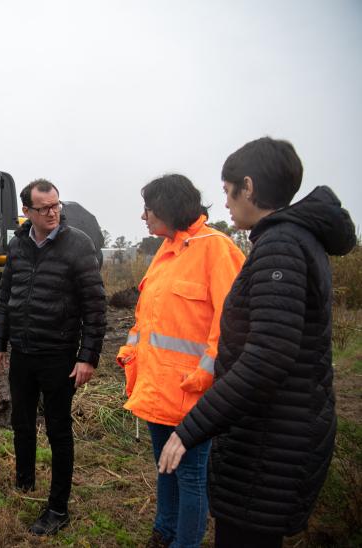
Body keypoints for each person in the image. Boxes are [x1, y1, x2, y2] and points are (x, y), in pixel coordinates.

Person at [158, 137, 357, 547]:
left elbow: (266, 357)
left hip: (271, 442)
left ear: (247, 186)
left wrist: (191, 427)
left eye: (228, 189)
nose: (225, 204)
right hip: (278, 431)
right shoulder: (294, 240)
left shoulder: (280, 247)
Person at [116, 174, 245, 548]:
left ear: (169, 209)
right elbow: (150, 317)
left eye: (149, 209)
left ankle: (183, 543)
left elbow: (232, 322)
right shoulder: (167, 249)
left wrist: (207, 374)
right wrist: (130, 352)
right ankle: (164, 532)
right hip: (157, 388)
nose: (143, 217)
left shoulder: (216, 249)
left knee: (190, 476)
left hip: (193, 393)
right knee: (164, 466)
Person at [0, 178, 106, 536]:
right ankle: (24, 481)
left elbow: (95, 307)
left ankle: (58, 508)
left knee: (58, 430)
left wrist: (87, 357)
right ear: (27, 212)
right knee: (21, 423)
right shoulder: (18, 245)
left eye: (56, 206)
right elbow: (6, 295)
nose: (53, 212)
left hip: (58, 355)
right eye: (45, 208)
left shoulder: (77, 245)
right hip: (23, 354)